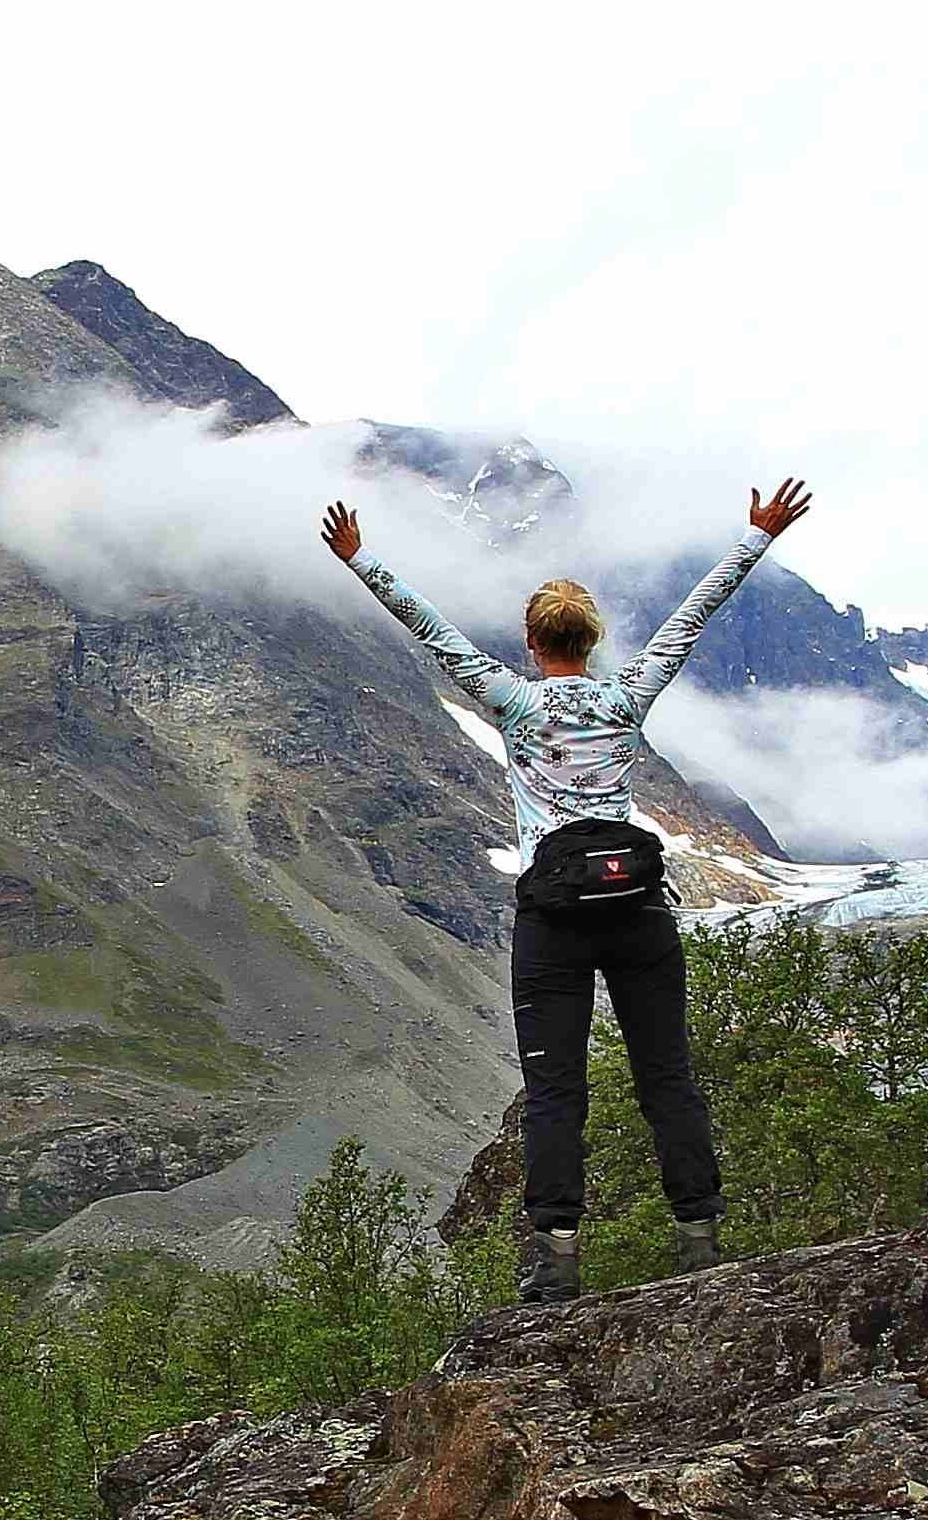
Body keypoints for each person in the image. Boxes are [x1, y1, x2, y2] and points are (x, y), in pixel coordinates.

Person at [319, 477, 814, 1304]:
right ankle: (699, 1241)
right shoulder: (626, 698)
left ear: (530, 639)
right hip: (638, 912)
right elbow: (693, 618)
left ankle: (555, 1262)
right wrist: (757, 536)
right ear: (594, 637)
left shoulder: (512, 701)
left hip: (552, 917)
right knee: (669, 1077)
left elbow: (433, 632)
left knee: (556, 1090)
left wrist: (360, 559)